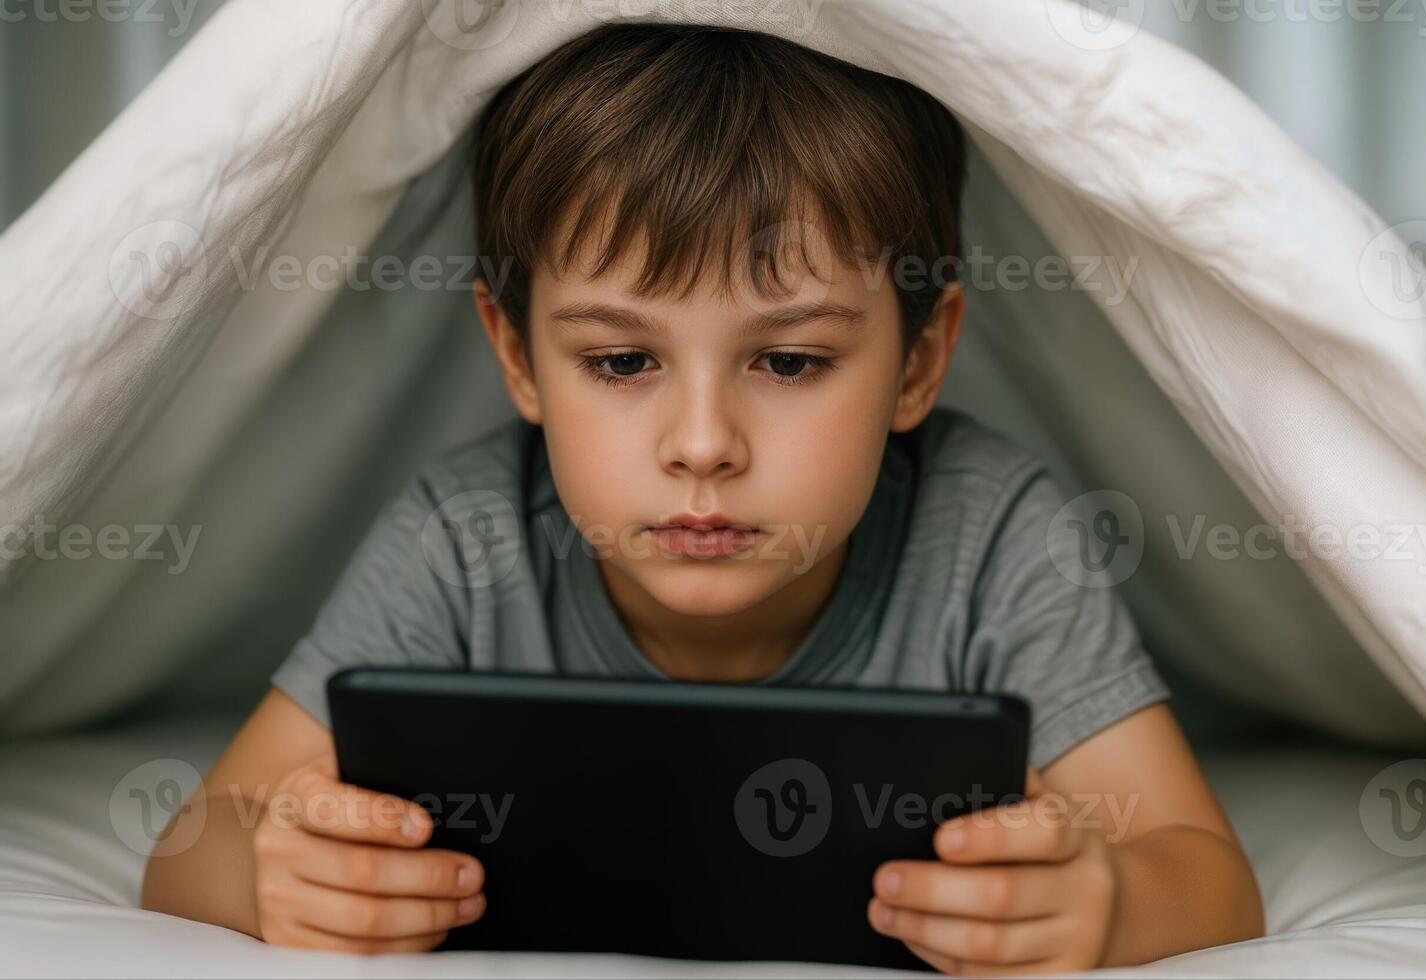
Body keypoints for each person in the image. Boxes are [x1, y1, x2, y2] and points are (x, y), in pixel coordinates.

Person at [142, 23, 1263, 973]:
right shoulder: (465, 540)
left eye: (790, 361)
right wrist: (279, 875)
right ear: (517, 356)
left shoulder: (994, 532)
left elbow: (1206, 874)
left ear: (919, 362)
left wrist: (1104, 899)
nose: (703, 446)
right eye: (623, 361)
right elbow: (196, 846)